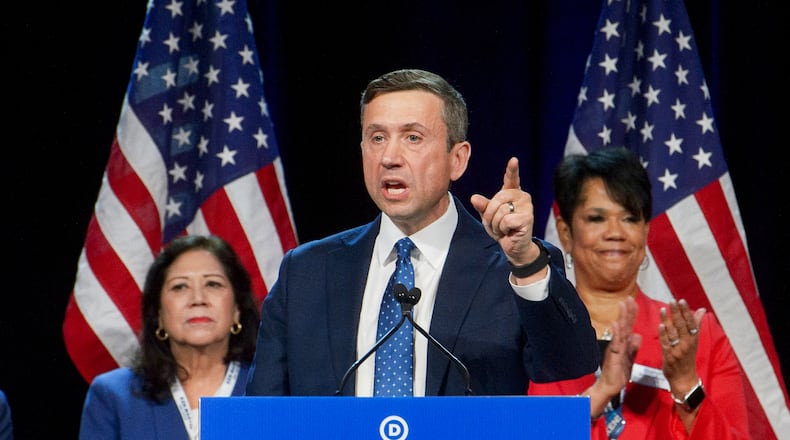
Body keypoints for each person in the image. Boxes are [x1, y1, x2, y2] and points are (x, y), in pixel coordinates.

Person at [245, 68, 599, 397]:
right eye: (377, 137)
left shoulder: (511, 265)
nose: (389, 157)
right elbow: (262, 414)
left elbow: (569, 364)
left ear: (457, 159)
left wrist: (524, 261)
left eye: (413, 137)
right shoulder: (306, 272)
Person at [528, 147, 750, 438]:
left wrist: (685, 384)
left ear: (645, 232)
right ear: (566, 232)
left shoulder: (700, 337)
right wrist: (596, 398)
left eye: (630, 218)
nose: (615, 232)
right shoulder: (536, 337)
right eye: (597, 218)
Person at [78, 234, 260, 440]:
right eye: (180, 287)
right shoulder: (114, 396)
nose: (198, 299)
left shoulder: (275, 391)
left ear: (237, 309)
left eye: (213, 284)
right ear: (159, 315)